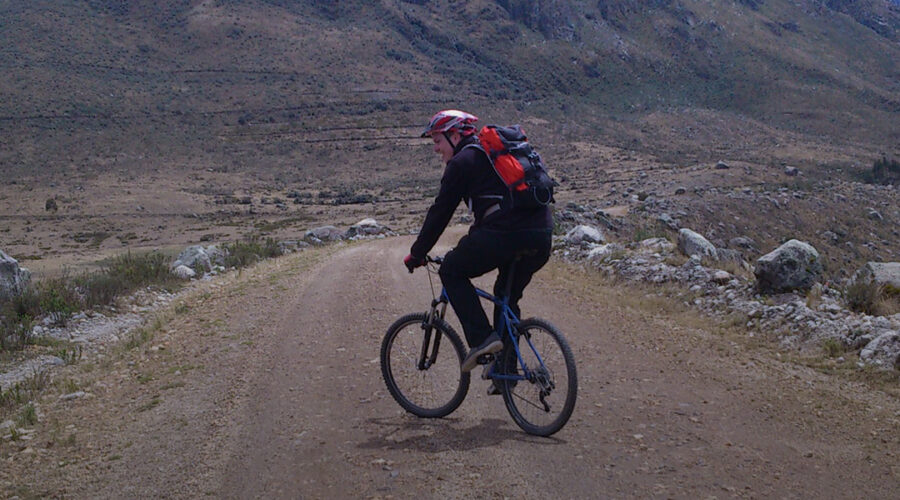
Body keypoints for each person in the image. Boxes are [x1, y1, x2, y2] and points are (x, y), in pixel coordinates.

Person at [403, 109, 553, 384]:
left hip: (506, 234)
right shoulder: (494, 157)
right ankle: (505, 374)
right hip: (542, 233)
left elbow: (440, 213)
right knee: (506, 296)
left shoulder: (462, 162)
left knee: (451, 270)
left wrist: (417, 253)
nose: (436, 149)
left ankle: (483, 339)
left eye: (437, 141)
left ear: (455, 135)